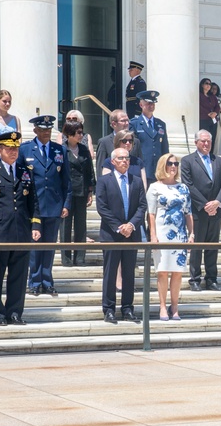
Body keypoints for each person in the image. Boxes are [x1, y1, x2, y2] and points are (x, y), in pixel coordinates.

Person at [0, 130, 42, 325]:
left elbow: (34, 202)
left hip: (21, 230)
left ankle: (15, 312)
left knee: (19, 275)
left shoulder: (25, 171)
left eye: (16, 148)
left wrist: (35, 225)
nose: (13, 152)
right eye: (9, 148)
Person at [20, 115, 71, 297]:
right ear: (35, 131)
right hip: (33, 207)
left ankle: (47, 281)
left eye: (49, 130)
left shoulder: (59, 150)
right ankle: (34, 281)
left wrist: (66, 203)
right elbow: (21, 180)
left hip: (54, 205)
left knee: (49, 245)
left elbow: (66, 181)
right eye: (42, 130)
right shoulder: (25, 149)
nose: (46, 133)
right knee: (34, 246)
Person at [95, 145, 146, 324]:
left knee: (129, 273)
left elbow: (142, 207)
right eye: (121, 158)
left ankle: (127, 308)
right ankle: (109, 309)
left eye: (127, 158)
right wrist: (119, 227)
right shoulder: (104, 181)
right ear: (113, 161)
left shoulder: (137, 181)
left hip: (131, 234)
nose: (125, 161)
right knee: (110, 273)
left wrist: (131, 225)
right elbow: (102, 207)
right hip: (111, 234)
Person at [180, 128, 221, 291]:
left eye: (209, 141)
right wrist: (205, 205)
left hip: (216, 211)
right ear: (196, 143)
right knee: (197, 246)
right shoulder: (187, 161)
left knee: (212, 246)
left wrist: (217, 202)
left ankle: (211, 279)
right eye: (203, 141)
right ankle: (194, 278)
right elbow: (188, 185)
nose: (207, 143)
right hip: (198, 211)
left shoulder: (219, 161)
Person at [147, 153, 194, 321]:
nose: (173, 166)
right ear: (163, 165)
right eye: (170, 163)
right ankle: (162, 306)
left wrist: (191, 234)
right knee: (162, 271)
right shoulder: (155, 187)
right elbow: (151, 214)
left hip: (180, 233)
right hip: (162, 232)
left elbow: (188, 213)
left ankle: (174, 307)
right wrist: (153, 235)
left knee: (178, 272)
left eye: (175, 163)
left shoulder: (183, 188)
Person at [60, 121, 95, 267]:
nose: (81, 135)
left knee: (81, 226)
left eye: (82, 132)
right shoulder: (61, 150)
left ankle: (80, 257)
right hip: (66, 192)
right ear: (69, 134)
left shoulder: (84, 149)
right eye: (78, 132)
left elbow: (89, 171)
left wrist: (90, 190)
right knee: (65, 226)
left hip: (81, 191)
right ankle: (66, 257)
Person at [129, 90, 169, 183]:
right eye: (148, 103)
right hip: (142, 169)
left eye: (153, 104)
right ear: (141, 105)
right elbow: (133, 148)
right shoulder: (134, 124)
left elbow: (165, 148)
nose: (151, 106)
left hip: (158, 170)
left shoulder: (160, 124)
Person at [95, 109, 132, 178]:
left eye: (127, 120)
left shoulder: (134, 141)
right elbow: (100, 167)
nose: (126, 123)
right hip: (112, 184)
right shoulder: (104, 142)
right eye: (123, 121)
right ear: (114, 124)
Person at [198, 77, 221, 148]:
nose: (208, 85)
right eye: (206, 83)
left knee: (212, 138)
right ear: (202, 85)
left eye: (210, 84)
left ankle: (210, 155)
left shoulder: (212, 96)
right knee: (204, 138)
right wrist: (208, 113)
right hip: (203, 119)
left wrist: (215, 113)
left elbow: (217, 106)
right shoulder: (199, 95)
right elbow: (199, 106)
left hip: (213, 120)